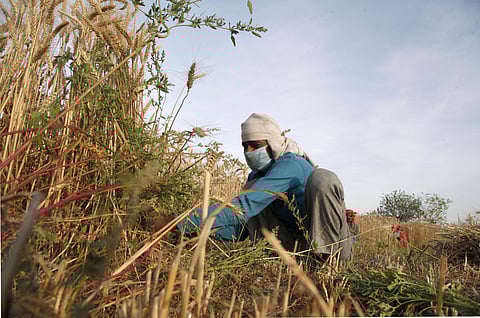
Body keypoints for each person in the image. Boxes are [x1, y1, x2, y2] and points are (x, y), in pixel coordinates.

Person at [177, 113, 353, 261]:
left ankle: (325, 262)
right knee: (254, 190)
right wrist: (200, 230)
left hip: (334, 249)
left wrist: (179, 222)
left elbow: (243, 206)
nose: (249, 151)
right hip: (297, 249)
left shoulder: (291, 164)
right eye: (245, 146)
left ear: (272, 144)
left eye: (256, 145)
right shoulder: (257, 177)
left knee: (322, 178)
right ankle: (272, 261)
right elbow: (242, 223)